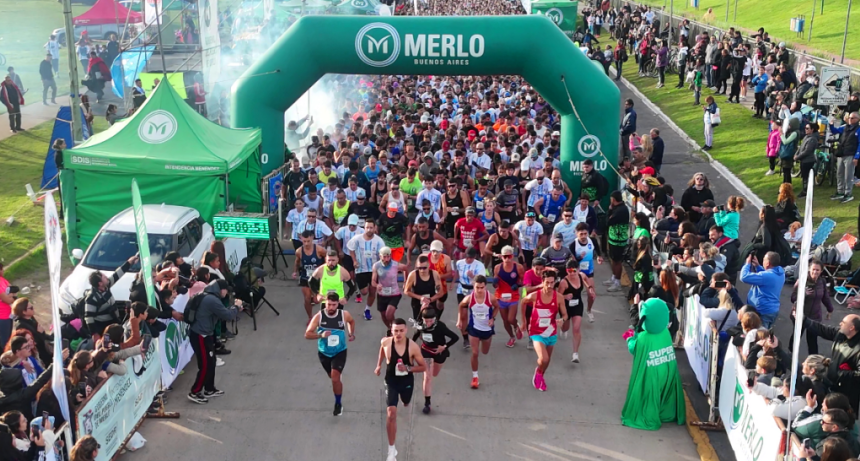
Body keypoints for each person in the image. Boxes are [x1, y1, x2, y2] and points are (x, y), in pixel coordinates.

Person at [621, 298, 685, 430]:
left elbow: (634, 348)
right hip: (667, 368)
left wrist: (629, 338)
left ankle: (650, 416)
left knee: (650, 395)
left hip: (652, 371)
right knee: (666, 392)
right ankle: (666, 413)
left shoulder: (644, 338)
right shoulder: (665, 333)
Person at [375, 318, 426, 461]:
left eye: (401, 331)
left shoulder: (413, 347)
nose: (398, 334)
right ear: (391, 331)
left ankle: (405, 401)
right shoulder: (385, 342)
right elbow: (382, 351)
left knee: (405, 401)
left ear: (406, 330)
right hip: (391, 381)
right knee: (391, 413)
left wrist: (408, 368)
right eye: (395, 331)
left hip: (406, 382)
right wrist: (379, 365)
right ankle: (391, 451)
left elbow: (423, 367)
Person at [187, 279, 240, 404]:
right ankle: (194, 392)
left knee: (211, 361)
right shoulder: (212, 300)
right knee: (205, 364)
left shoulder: (208, 296)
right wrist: (236, 306)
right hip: (200, 335)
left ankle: (209, 389)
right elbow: (227, 315)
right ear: (221, 289)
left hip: (205, 333)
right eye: (226, 290)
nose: (227, 293)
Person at [305, 292, 355, 416]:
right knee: (333, 378)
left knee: (335, 378)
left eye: (333, 305)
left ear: (338, 304)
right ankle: (336, 380)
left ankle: (338, 403)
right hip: (324, 353)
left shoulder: (344, 315)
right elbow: (307, 334)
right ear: (325, 303)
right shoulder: (319, 317)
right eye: (328, 304)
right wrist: (320, 335)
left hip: (340, 351)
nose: (331, 307)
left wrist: (351, 333)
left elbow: (352, 322)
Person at [801, 314, 860, 414]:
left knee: (843, 416)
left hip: (846, 391)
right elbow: (823, 330)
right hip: (833, 384)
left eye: (843, 322)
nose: (840, 323)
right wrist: (804, 320)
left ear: (852, 328)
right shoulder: (841, 334)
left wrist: (839, 372)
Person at [457, 275, 498, 390]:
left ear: (485, 287)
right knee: (475, 353)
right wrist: (459, 320)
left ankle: (484, 342)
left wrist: (492, 319)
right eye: (477, 287)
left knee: (484, 352)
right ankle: (475, 377)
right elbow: (461, 306)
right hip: (474, 329)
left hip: (487, 330)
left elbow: (497, 307)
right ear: (473, 287)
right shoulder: (469, 298)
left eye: (482, 287)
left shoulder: (491, 298)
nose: (479, 290)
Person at [415, 308, 458, 414]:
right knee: (428, 377)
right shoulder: (421, 325)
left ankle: (434, 367)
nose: (428, 323)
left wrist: (444, 346)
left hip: (439, 352)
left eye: (431, 321)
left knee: (435, 374)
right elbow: (415, 335)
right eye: (426, 321)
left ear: (435, 319)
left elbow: (455, 337)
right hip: (426, 351)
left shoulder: (440, 326)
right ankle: (427, 403)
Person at [84, 255, 137, 338]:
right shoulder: (91, 298)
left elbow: (117, 274)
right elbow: (88, 318)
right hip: (103, 327)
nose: (107, 278)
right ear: (100, 284)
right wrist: (95, 334)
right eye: (104, 277)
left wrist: (130, 262)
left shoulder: (106, 285)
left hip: (114, 320)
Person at [790, 260, 833, 355]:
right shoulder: (802, 280)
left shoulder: (822, 282)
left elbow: (825, 297)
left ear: (821, 271)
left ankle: (813, 362)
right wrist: (803, 294)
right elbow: (793, 298)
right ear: (809, 269)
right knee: (796, 338)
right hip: (800, 315)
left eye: (818, 270)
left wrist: (830, 309)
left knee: (813, 341)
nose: (815, 272)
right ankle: (790, 356)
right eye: (813, 269)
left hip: (815, 317)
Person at [348, 220, 386, 321]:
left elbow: (383, 254)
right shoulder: (357, 239)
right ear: (364, 228)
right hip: (361, 269)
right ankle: (363, 290)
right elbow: (350, 249)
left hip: (374, 270)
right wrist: (354, 260)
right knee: (364, 292)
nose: (369, 230)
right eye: (367, 227)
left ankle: (367, 310)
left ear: (375, 228)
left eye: (371, 227)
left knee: (372, 291)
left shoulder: (379, 241)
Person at [741, 252, 785, 328]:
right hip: (772, 310)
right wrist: (758, 267)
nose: (762, 261)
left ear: (767, 263)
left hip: (762, 311)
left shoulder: (765, 276)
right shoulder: (780, 273)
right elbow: (767, 276)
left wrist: (747, 264)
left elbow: (744, 277)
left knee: (759, 335)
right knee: (765, 333)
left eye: (764, 259)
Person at [372, 247, 409, 335]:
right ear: (380, 256)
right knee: (383, 315)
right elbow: (373, 281)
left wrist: (405, 282)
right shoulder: (376, 266)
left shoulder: (395, 265)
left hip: (394, 294)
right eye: (384, 257)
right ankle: (390, 328)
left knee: (389, 314)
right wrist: (377, 285)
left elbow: (405, 268)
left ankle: (395, 329)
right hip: (382, 294)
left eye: (388, 256)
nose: (387, 259)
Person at [827, 112, 860, 203]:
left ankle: (848, 193)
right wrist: (831, 125)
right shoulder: (845, 127)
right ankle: (840, 191)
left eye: (852, 118)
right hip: (842, 153)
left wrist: (856, 157)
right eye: (849, 117)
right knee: (839, 173)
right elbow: (835, 131)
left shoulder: (858, 130)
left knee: (848, 175)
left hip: (850, 154)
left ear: (857, 119)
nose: (850, 119)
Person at [296, 231, 327, 320]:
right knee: (307, 298)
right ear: (301, 239)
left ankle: (324, 316)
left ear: (312, 238)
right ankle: (310, 318)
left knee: (318, 300)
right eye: (304, 241)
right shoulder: (299, 251)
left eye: (308, 241)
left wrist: (325, 269)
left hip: (318, 278)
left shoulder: (320, 250)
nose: (306, 243)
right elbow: (297, 261)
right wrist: (295, 271)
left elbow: (328, 259)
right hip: (305, 277)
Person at [605, 191, 629, 292]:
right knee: (613, 259)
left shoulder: (621, 210)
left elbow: (608, 221)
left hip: (618, 240)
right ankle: (614, 278)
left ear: (614, 199)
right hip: (613, 239)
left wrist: (609, 211)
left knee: (617, 261)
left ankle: (617, 283)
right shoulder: (617, 208)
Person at [796, 122, 819, 196]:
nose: (805, 130)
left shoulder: (812, 139)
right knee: (804, 176)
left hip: (808, 160)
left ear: (812, 130)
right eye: (805, 128)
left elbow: (807, 151)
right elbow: (801, 148)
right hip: (804, 160)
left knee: (806, 176)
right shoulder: (807, 137)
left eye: (807, 128)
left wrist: (798, 157)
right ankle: (805, 189)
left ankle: (805, 191)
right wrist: (796, 154)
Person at [0, 263, 14, 350]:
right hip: (2, 317)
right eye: (2, 269)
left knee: (8, 337)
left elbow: (14, 290)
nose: (3, 271)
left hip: (8, 314)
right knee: (5, 341)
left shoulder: (3, 280)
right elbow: (9, 300)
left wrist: (10, 295)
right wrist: (11, 296)